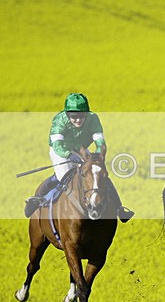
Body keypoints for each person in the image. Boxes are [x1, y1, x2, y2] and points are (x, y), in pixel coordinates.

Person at [24, 93, 133, 222]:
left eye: (82, 116)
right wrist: (69, 155)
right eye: (74, 116)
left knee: (97, 174)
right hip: (61, 150)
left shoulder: (93, 119)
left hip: (80, 150)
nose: (78, 119)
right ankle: (37, 198)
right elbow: (57, 145)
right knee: (63, 176)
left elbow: (100, 142)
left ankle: (119, 208)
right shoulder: (59, 120)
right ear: (67, 114)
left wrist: (98, 157)